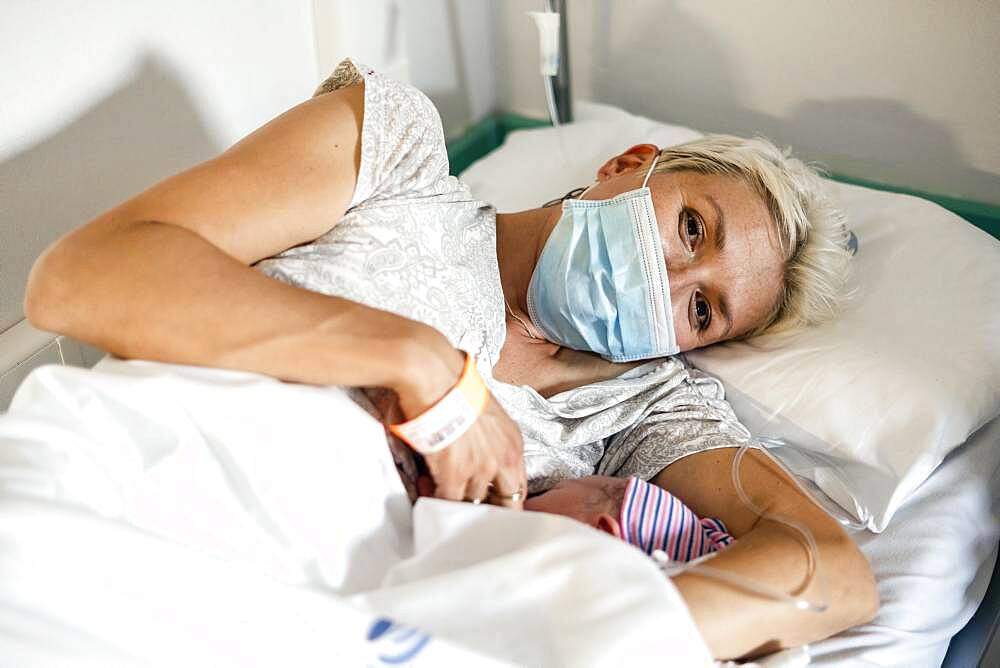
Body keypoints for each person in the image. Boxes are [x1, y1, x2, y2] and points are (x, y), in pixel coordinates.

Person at [23, 59, 875, 659]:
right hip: (126, 491)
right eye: (693, 227)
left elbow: (830, 569)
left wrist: (590, 638)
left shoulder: (639, 412)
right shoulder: (398, 159)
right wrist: (421, 364)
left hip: (310, 616)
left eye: (702, 310)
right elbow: (79, 279)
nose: (671, 277)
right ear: (628, 167)